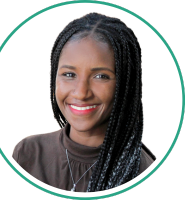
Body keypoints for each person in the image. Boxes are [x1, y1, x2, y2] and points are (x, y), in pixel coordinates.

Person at [13, 12, 155, 192]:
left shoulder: (142, 171)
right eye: (69, 74)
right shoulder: (27, 153)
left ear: (126, 83)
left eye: (101, 76)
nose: (81, 93)